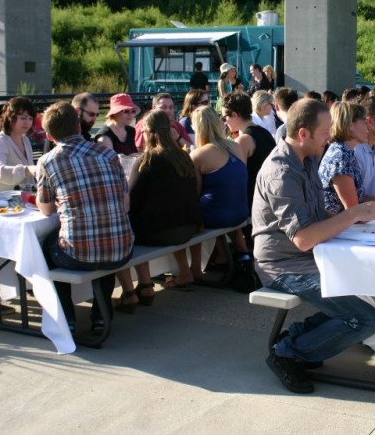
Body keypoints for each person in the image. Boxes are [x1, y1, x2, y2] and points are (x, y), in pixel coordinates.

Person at [253, 98, 375, 394]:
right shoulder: (281, 172)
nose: (330, 136)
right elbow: (303, 238)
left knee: (370, 290)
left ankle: (300, 338)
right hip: (282, 267)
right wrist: (351, 214)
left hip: (307, 257)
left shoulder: (308, 159)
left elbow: (316, 216)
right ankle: (288, 351)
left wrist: (356, 221)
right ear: (303, 133)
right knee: (364, 318)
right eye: (325, 131)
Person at [36, 102, 133, 334]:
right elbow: (125, 203)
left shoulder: (48, 161)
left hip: (78, 254)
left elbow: (46, 209)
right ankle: (101, 314)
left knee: (45, 249)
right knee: (106, 236)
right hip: (122, 248)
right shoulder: (108, 154)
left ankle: (66, 316)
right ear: (79, 127)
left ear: (49, 135)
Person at [119, 109, 202, 299]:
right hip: (188, 227)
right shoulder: (183, 156)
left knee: (128, 226)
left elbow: (132, 201)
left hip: (161, 232)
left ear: (147, 133)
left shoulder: (147, 160)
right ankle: (165, 277)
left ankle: (144, 284)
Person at [191, 106, 250, 254]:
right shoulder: (236, 146)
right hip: (242, 211)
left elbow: (195, 193)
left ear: (197, 127)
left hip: (218, 216)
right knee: (222, 198)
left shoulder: (198, 155)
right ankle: (239, 251)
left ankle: (195, 269)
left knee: (186, 216)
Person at [221, 92, 276, 218]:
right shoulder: (264, 132)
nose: (224, 122)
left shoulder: (243, 140)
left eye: (224, 118)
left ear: (234, 115)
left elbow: (238, 177)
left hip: (254, 202)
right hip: (269, 196)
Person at [318, 102, 368, 214]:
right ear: (350, 125)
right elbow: (352, 211)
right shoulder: (341, 156)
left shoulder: (345, 151)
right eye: (365, 122)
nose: (368, 126)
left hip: (342, 226)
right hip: (336, 228)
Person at [0, 96, 37, 192]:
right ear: (10, 118)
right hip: (2, 199)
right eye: (23, 118)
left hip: (24, 196)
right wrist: (26, 170)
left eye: (30, 119)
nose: (27, 122)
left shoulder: (25, 139)